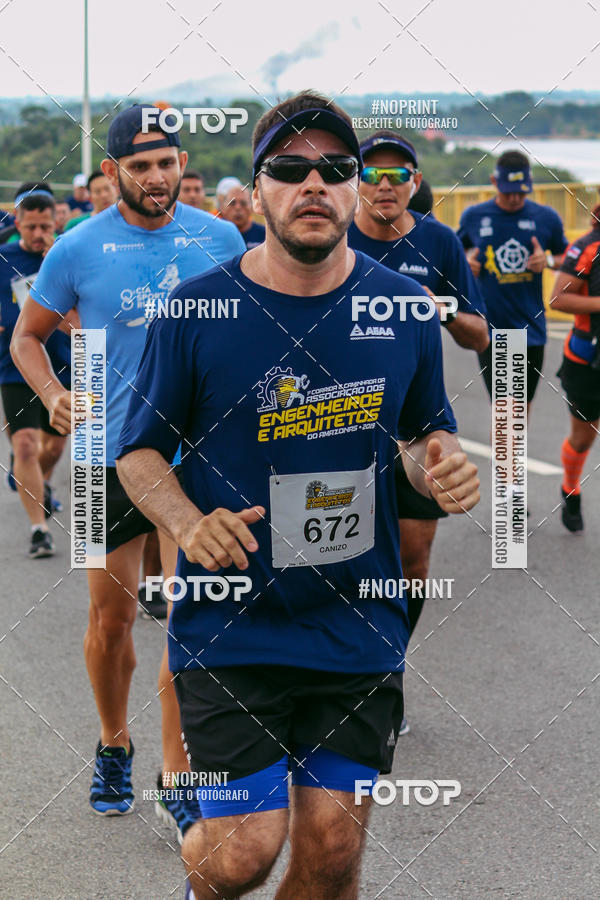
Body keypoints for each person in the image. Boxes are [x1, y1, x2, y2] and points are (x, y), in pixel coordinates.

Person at [115, 90, 480, 900]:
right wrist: (184, 518)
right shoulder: (199, 309)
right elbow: (137, 452)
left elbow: (425, 434)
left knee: (331, 849)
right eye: (289, 168)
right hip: (231, 623)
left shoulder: (403, 308)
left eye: (335, 169)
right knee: (242, 856)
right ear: (260, 188)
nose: (312, 183)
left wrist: (439, 465)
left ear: (359, 189)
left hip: (354, 625)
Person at [11, 104, 245, 832]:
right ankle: (114, 741)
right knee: (111, 619)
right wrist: (52, 394)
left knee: (188, 619)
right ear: (112, 172)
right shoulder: (78, 248)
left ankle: (178, 772)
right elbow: (27, 336)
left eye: (166, 162)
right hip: (100, 457)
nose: (155, 176)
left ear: (181, 165)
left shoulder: (222, 237)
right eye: (138, 166)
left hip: (191, 459)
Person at [347, 132, 488, 714]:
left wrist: (442, 308)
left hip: (412, 427)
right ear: (355, 180)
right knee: (341, 557)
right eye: (372, 174)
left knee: (412, 559)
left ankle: (388, 672)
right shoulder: (332, 236)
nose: (385, 185)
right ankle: (340, 672)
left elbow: (483, 334)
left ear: (415, 181)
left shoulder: (439, 242)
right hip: (338, 421)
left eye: (397, 174)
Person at [458, 150, 568, 417]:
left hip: (530, 329)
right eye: (508, 192)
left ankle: (511, 458)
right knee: (506, 413)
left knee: (518, 414)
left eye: (521, 192)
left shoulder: (546, 218)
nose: (515, 198)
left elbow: (569, 258)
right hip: (492, 329)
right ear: (495, 182)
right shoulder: (474, 216)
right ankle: (509, 458)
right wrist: (467, 262)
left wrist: (549, 261)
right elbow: (453, 254)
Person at [0, 189, 71, 557]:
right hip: (14, 365)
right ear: (17, 222)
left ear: (54, 221)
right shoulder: (4, 257)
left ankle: (40, 483)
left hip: (62, 362)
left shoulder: (64, 254)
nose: (39, 233)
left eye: (46, 225)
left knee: (55, 445)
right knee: (25, 444)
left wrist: (51, 261)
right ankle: (39, 529)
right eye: (32, 227)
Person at [551, 203, 600, 532]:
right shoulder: (587, 247)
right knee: (583, 439)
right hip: (588, 362)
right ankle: (570, 487)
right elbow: (559, 299)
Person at [220, 183, 266, 248]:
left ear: (252, 207)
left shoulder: (264, 236)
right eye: (232, 203)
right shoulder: (214, 234)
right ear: (223, 207)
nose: (238, 208)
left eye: (243, 203)